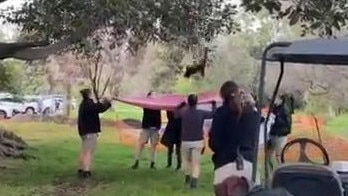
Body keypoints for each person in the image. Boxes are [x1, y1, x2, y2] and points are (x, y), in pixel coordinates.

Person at [208, 81, 260, 195]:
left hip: (224, 163)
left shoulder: (220, 113)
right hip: (247, 164)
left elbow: (214, 143)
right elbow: (256, 140)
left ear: (223, 96)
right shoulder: (252, 114)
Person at [175, 94, 216, 189]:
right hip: (198, 141)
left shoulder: (184, 113)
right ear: (197, 102)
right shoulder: (201, 113)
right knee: (196, 162)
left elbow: (175, 113)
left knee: (186, 161)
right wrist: (213, 104)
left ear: (188, 102)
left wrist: (181, 104)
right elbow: (213, 113)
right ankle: (194, 181)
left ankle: (187, 177)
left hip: (185, 141)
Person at [77, 88, 112, 178]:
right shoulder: (89, 104)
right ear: (89, 94)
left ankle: (81, 168)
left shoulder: (83, 104)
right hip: (90, 132)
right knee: (88, 151)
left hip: (84, 132)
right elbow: (100, 108)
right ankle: (86, 170)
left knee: (84, 150)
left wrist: (103, 101)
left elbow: (98, 106)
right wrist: (108, 102)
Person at [131, 91, 162, 169]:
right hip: (146, 127)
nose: (155, 96)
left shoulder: (159, 104)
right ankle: (136, 161)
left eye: (155, 95)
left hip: (155, 128)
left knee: (153, 145)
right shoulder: (146, 104)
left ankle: (152, 162)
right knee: (141, 144)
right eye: (153, 95)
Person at [266, 93, 293, 165]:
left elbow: (287, 123)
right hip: (273, 134)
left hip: (280, 135)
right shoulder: (274, 108)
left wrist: (276, 119)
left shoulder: (285, 109)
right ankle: (269, 171)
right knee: (268, 156)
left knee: (279, 155)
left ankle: (281, 169)